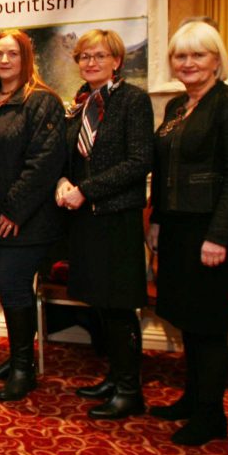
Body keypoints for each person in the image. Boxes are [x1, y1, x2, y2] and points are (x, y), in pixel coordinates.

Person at [148, 21, 228, 445]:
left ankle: (212, 416)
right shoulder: (177, 107)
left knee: (209, 323)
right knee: (188, 320)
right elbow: (164, 170)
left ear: (217, 60)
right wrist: (156, 219)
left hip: (210, 230)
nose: (188, 63)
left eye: (198, 55)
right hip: (176, 226)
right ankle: (193, 398)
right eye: (180, 56)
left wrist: (220, 236)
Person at [55, 29, 153, 418]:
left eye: (99, 55)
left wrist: (87, 191)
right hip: (86, 220)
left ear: (117, 60)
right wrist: (64, 181)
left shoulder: (133, 100)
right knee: (99, 302)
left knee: (119, 306)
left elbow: (139, 162)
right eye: (84, 56)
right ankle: (114, 376)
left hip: (117, 217)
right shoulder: (81, 105)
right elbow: (73, 159)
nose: (91, 62)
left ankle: (130, 389)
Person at [0, 29, 66, 401]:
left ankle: (24, 369)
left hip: (25, 220)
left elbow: (43, 162)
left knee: (13, 289)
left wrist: (14, 209)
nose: (4, 60)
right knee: (12, 291)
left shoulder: (42, 102)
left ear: (27, 59)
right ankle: (15, 359)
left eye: (13, 54)